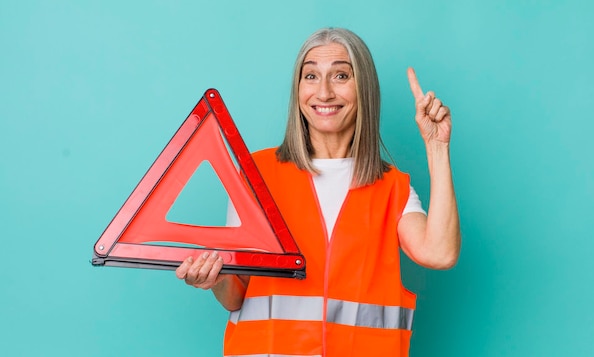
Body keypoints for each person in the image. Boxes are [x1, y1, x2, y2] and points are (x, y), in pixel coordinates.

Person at [176, 27, 461, 356]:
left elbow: (440, 253)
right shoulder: (257, 175)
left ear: (363, 88)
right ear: (298, 89)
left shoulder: (391, 186)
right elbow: (236, 294)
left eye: (341, 75)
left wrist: (437, 149)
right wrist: (213, 278)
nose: (324, 92)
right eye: (310, 76)